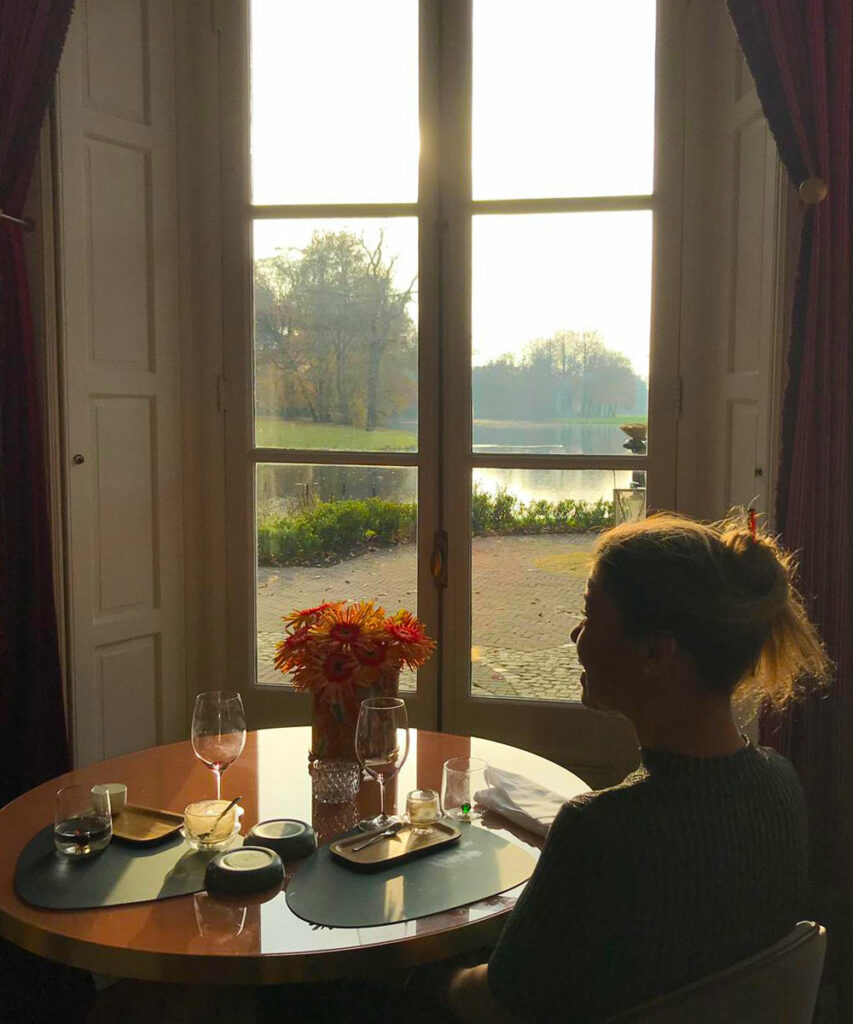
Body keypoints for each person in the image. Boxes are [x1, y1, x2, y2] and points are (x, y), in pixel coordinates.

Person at [409, 512, 830, 1024]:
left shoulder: (601, 830)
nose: (575, 634)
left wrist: (422, 973)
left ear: (655, 651)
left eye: (590, 614)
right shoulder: (782, 787)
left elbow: (498, 1003)